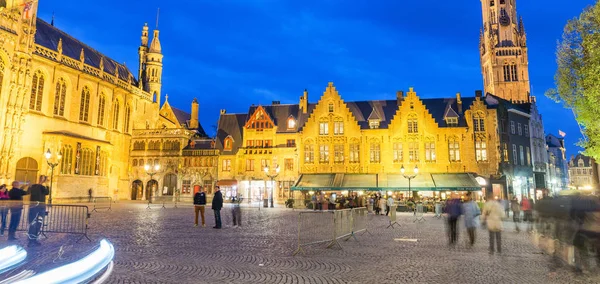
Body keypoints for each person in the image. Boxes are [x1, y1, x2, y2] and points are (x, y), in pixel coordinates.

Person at [27, 175, 49, 246]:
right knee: (33, 223)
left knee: (39, 223)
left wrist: (46, 184)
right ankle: (31, 240)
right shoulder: (33, 186)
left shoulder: (43, 187)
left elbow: (47, 192)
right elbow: (29, 192)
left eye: (44, 179)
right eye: (42, 179)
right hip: (34, 207)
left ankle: (34, 239)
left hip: (41, 208)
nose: (43, 180)